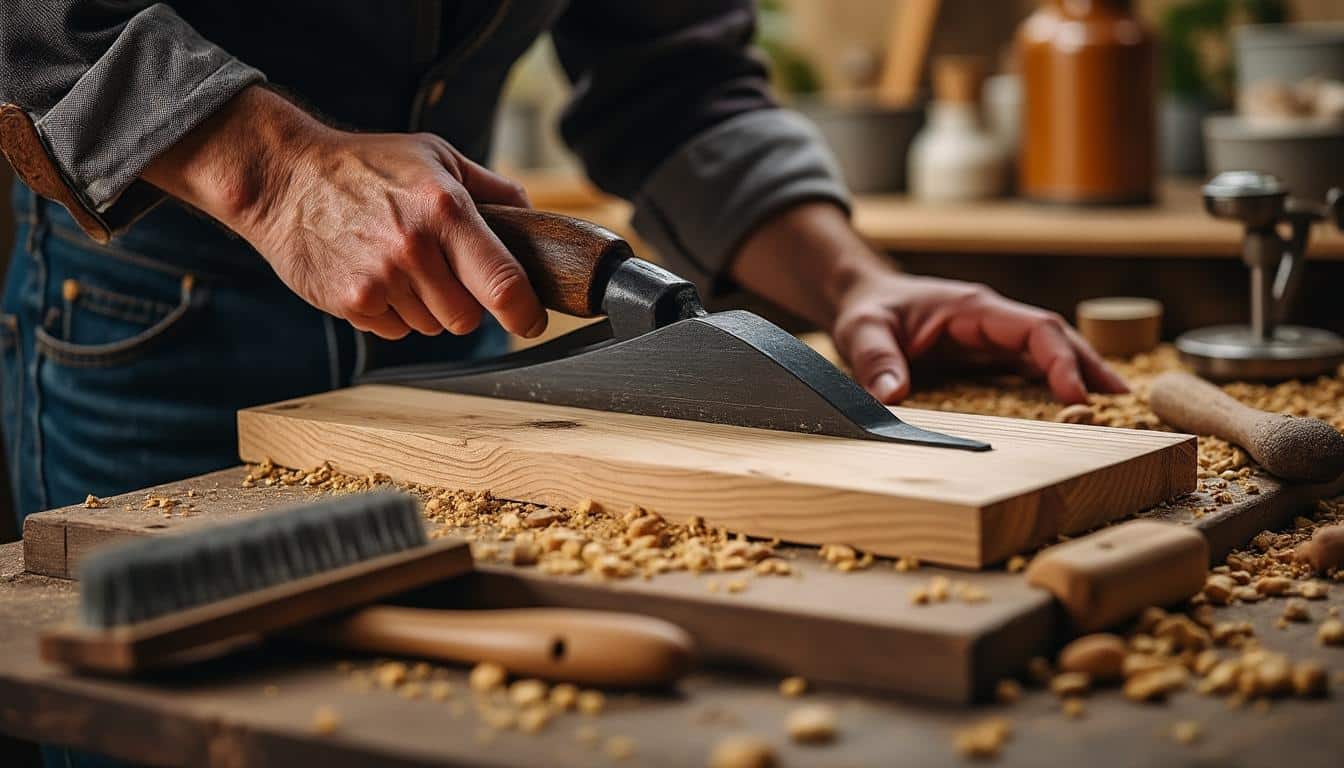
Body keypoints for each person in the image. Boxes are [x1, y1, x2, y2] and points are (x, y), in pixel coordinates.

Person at [0, 2, 1128, 527]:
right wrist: (276, 171)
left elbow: (672, 72)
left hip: (464, 317)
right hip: (153, 310)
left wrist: (848, 282)